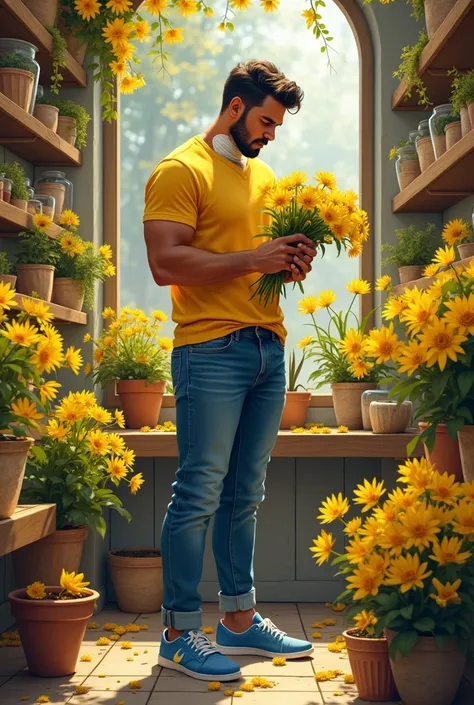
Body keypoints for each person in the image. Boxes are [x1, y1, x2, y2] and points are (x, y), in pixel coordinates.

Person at [143, 59, 317, 683]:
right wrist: (254, 257)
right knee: (198, 494)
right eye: (267, 121)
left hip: (268, 351)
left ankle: (237, 623)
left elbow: (254, 261)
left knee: (245, 494)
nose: (272, 134)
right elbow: (166, 263)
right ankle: (178, 633)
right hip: (209, 350)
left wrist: (289, 259)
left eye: (278, 126)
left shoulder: (264, 176)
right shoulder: (179, 169)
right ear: (237, 108)